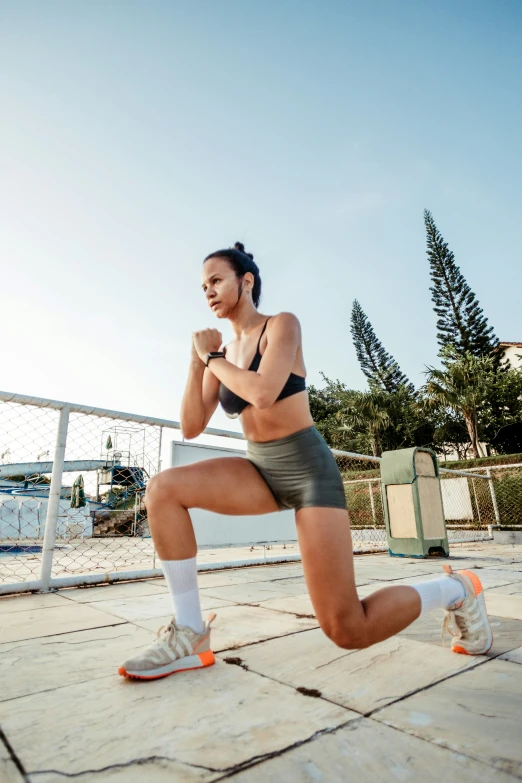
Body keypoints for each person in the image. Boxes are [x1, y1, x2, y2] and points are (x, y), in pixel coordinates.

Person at [119, 242, 493, 680]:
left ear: (246, 281)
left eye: (216, 281)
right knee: (163, 489)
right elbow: (190, 426)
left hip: (309, 471)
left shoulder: (282, 325)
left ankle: (457, 589)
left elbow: (262, 392)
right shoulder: (220, 354)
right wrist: (195, 362)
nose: (208, 292)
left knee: (347, 628)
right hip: (259, 469)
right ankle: (189, 632)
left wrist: (212, 358)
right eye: (203, 286)